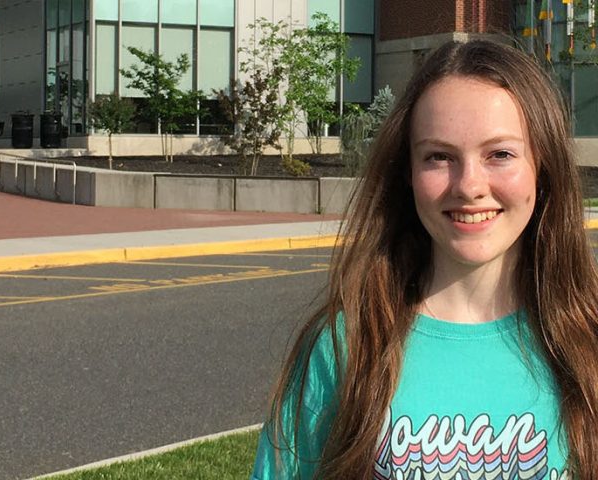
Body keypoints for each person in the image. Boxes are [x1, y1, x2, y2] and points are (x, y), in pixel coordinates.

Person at [250, 39, 598, 480]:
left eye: (500, 154)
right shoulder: (346, 347)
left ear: (541, 167)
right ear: (409, 174)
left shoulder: (588, 344)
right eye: (439, 156)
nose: (469, 186)